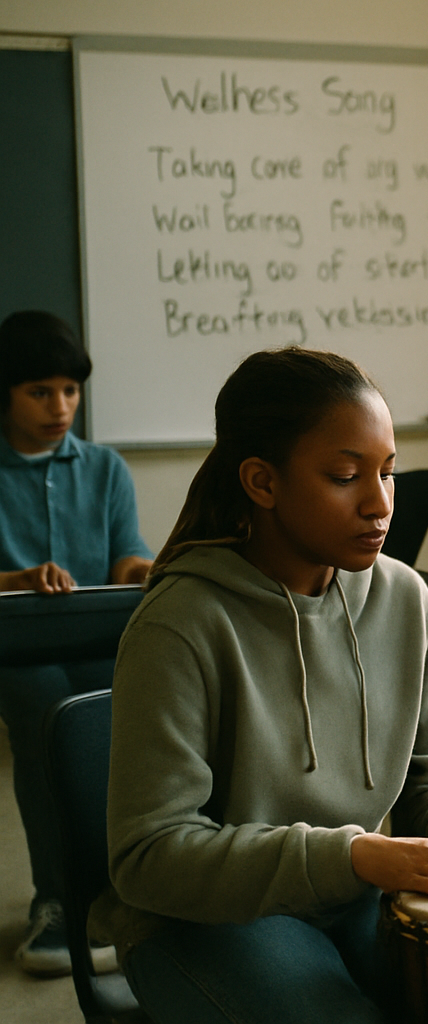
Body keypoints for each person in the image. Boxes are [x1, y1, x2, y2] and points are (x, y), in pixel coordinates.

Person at [92, 347, 428, 1023]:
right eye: (344, 476)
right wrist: (355, 855)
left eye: (388, 473)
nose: (379, 503)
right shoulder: (180, 622)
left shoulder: (403, 598)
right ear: (262, 482)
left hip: (348, 895)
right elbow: (149, 858)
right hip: (199, 922)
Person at [0, 309, 154, 976]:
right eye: (40, 392)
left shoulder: (105, 468)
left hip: (96, 639)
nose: (60, 407)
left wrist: (143, 570)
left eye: (70, 390)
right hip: (13, 651)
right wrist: (17, 580)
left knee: (121, 712)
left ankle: (116, 891)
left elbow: (126, 556)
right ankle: (57, 901)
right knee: (46, 715)